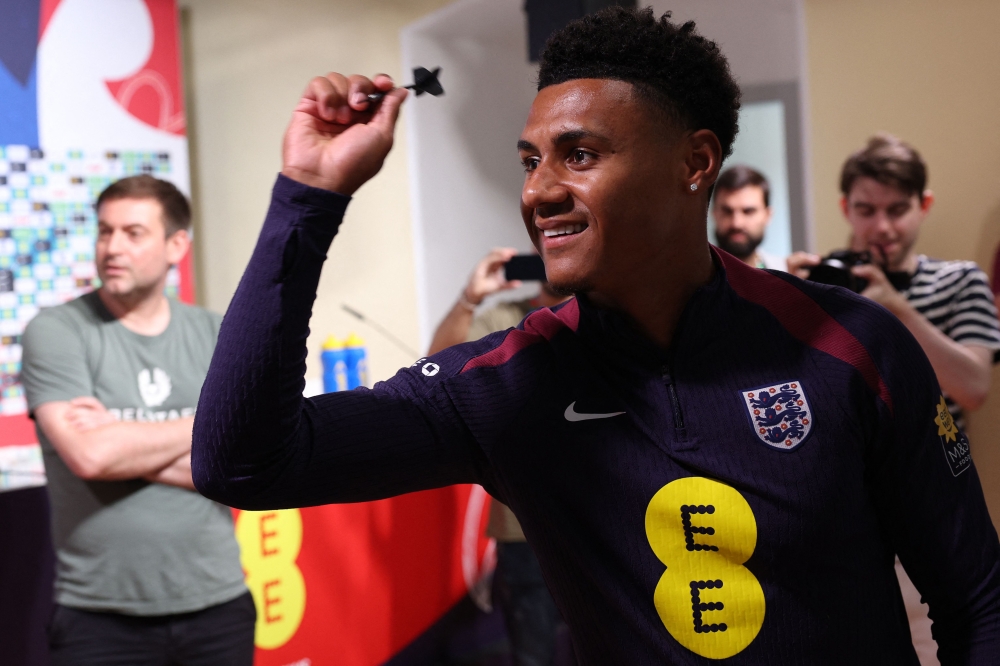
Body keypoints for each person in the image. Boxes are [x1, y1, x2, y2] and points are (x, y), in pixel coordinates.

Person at [193, 7, 1000, 664]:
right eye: (530, 160)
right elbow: (243, 463)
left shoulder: (849, 344)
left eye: (579, 155)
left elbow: (975, 598)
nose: (539, 191)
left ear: (695, 161)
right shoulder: (506, 385)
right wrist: (307, 196)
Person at [20, 176, 253, 665]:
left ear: (176, 245)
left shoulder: (217, 334)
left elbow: (242, 470)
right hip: (98, 617)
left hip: (218, 604)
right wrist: (207, 426)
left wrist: (121, 443)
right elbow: (90, 455)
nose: (112, 248)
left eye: (132, 233)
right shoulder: (56, 331)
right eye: (105, 232)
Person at [788, 134, 1000, 429]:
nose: (882, 227)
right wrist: (790, 307)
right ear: (846, 208)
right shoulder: (826, 284)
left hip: (930, 470)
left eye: (897, 210)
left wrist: (896, 309)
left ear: (924, 205)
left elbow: (974, 389)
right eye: (866, 210)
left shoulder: (961, 280)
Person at [428, 248, 572, 666]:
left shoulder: (604, 310)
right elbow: (436, 365)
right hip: (521, 526)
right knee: (534, 654)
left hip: (599, 515)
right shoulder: (502, 317)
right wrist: (469, 298)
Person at [711, 165, 784, 270]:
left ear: (768, 215)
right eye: (727, 211)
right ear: (714, 213)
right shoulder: (689, 277)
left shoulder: (784, 274)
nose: (737, 223)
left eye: (748, 211)